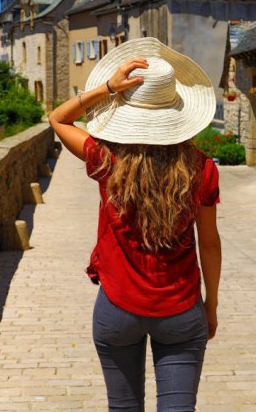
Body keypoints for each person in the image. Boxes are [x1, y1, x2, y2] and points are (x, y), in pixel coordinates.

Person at [48, 37, 222, 412]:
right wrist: (211, 306)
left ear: (129, 111)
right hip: (181, 307)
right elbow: (209, 244)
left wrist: (109, 88)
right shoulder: (202, 169)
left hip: (117, 307)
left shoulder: (105, 159)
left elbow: (58, 118)